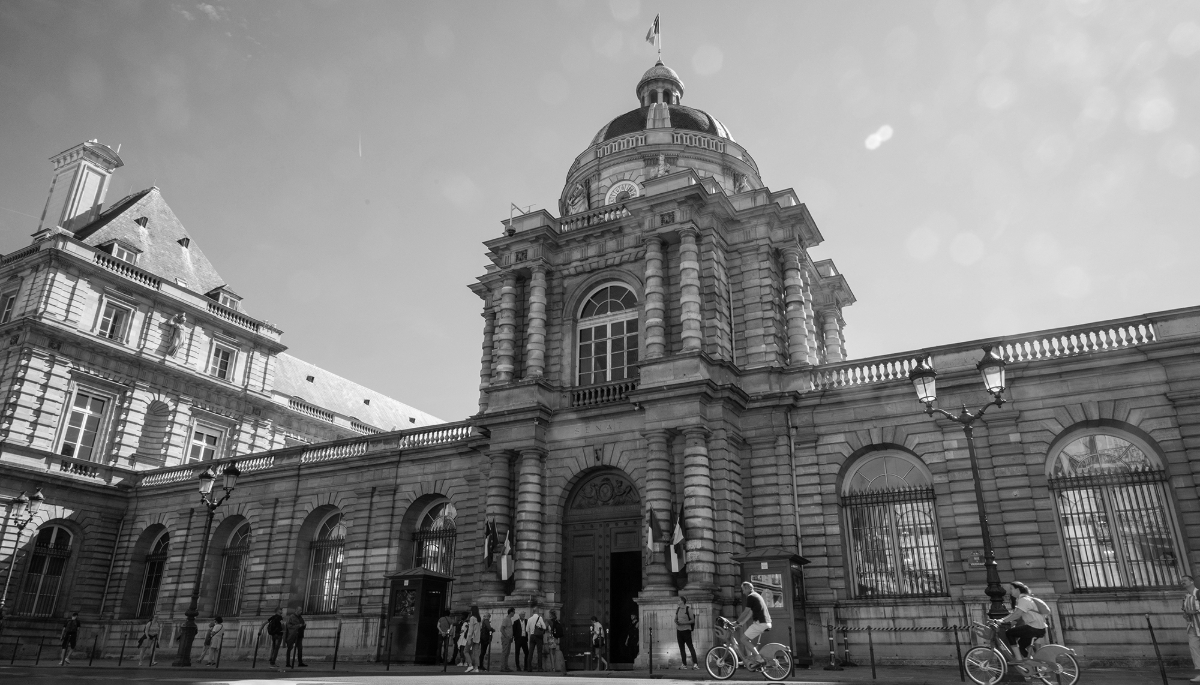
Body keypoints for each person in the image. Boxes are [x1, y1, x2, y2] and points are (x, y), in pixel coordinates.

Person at [999, 580, 1047, 663]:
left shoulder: (1023, 600)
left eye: (1011, 589)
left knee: (1009, 633)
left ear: (1017, 590)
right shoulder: (1028, 599)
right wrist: (1003, 620)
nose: (1010, 591)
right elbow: (1015, 614)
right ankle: (1033, 665)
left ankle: (1018, 658)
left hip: (1033, 627)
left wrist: (1003, 621)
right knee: (1021, 646)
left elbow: (1017, 614)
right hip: (1040, 628)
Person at [734, 581, 771, 667]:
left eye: (743, 590)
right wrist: (742, 623)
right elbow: (750, 612)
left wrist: (737, 622)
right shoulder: (756, 595)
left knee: (743, 639)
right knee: (747, 640)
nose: (743, 592)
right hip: (766, 622)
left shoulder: (751, 596)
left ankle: (759, 658)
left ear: (748, 588)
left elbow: (745, 612)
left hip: (760, 623)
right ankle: (750, 659)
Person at [1182, 575, 1200, 683]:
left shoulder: (1198, 593)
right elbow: (1185, 611)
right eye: (1181, 581)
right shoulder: (1186, 597)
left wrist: (1194, 612)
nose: (1182, 582)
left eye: (1185, 580)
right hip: (1192, 627)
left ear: (1191, 581)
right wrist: (1185, 615)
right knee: (1195, 650)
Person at [675, 594, 699, 670]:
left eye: (679, 600)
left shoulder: (688, 609)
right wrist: (676, 621)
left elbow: (692, 620)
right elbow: (675, 618)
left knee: (690, 647)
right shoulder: (678, 609)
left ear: (682, 601)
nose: (678, 601)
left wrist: (684, 623)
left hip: (686, 631)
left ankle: (695, 664)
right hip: (679, 631)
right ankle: (684, 664)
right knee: (681, 648)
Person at [500, 607, 515, 672]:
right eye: (513, 612)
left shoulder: (509, 619)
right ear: (511, 612)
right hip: (506, 638)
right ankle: (503, 667)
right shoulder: (506, 619)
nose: (514, 613)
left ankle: (506, 666)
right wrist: (506, 636)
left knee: (507, 653)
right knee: (505, 652)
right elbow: (502, 629)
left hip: (509, 638)